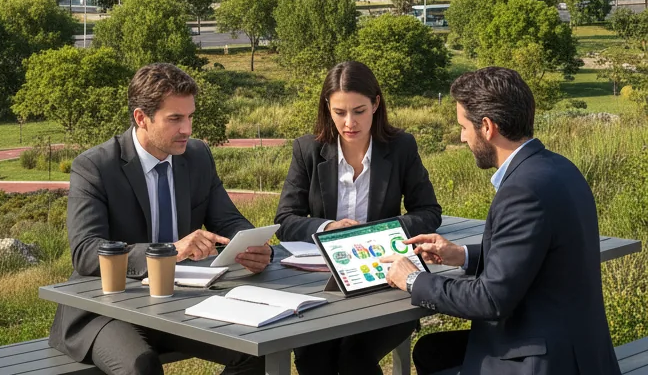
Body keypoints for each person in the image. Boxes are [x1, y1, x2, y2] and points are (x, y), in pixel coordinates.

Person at [380, 66, 619, 375]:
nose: (463, 137)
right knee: (432, 350)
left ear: (488, 127)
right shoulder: (560, 169)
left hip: (542, 362)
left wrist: (412, 279)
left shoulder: (522, 191)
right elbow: (534, 252)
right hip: (578, 348)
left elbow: (490, 300)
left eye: (464, 127)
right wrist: (462, 255)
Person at [49, 62, 272, 375]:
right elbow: (86, 252)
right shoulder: (95, 167)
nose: (188, 129)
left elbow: (229, 221)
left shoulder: (197, 157)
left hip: (176, 302)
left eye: (190, 116)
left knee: (254, 349)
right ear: (142, 118)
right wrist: (169, 251)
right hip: (107, 309)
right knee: (142, 367)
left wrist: (256, 246)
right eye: (175, 119)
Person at [275, 60, 442, 375]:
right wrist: (329, 228)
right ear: (328, 107)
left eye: (359, 111)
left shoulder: (401, 147)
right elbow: (285, 220)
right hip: (322, 284)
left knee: (353, 357)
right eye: (339, 112)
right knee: (314, 356)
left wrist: (376, 232)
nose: (349, 122)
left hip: (385, 281)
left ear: (376, 104)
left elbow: (429, 212)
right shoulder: (308, 149)